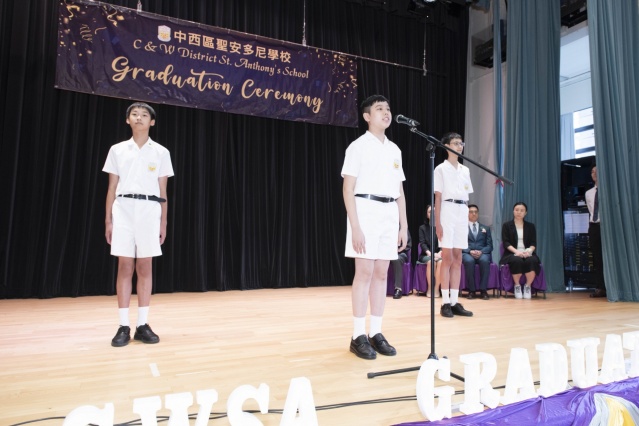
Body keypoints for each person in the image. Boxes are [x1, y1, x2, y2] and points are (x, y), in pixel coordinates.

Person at [342, 94, 408, 360]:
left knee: (382, 273)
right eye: (379, 109)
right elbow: (348, 189)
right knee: (365, 271)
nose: (386, 112)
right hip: (365, 210)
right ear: (367, 116)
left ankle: (376, 332)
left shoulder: (395, 150)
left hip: (389, 213)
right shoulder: (357, 147)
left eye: (388, 108)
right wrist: (355, 226)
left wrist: (403, 225)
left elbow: (400, 191)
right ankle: (357, 335)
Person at [103, 102, 174, 347]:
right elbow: (112, 187)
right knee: (124, 266)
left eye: (144, 115)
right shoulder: (117, 150)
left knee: (145, 266)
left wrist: (163, 222)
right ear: (128, 120)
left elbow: (163, 191)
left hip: (149, 210)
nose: (139, 118)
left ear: (152, 122)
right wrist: (108, 220)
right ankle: (123, 325)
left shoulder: (161, 152)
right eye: (134, 114)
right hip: (123, 208)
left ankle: (142, 324)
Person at [434, 132, 473, 318]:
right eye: (456, 143)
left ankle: (455, 301)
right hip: (447, 210)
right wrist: (437, 223)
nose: (459, 146)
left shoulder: (465, 170)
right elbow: (438, 197)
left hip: (462, 211)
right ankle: (445, 302)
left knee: (458, 258)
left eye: (461, 143)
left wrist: (466, 218)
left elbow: (467, 195)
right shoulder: (440, 169)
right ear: (447, 146)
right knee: (447, 258)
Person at [500, 202, 540, 300]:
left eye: (522, 210)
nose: (519, 212)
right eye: (517, 210)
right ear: (513, 211)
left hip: (527, 252)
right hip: (512, 252)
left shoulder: (531, 226)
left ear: (525, 213)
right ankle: (517, 286)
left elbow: (533, 243)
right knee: (516, 260)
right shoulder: (506, 225)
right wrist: (517, 252)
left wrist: (528, 251)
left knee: (532, 260)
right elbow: (506, 243)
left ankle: (527, 286)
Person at [462, 204, 493, 300]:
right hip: (467, 253)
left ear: (478, 213)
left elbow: (490, 246)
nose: (474, 214)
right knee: (469, 261)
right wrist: (469, 251)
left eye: (475, 212)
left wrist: (481, 251)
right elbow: (459, 244)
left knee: (485, 261)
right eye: (471, 212)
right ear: (467, 214)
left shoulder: (486, 228)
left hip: (482, 253)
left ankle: (483, 290)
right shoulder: (462, 228)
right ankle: (471, 290)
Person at [585, 164, 606, 298]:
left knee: (607, 256)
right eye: (592, 171)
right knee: (597, 257)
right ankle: (600, 287)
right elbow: (591, 210)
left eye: (597, 171)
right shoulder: (589, 193)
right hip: (594, 226)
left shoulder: (607, 190)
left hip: (606, 226)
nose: (594, 173)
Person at [418, 204, 442, 298]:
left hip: (440, 255)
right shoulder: (422, 228)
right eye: (430, 212)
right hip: (426, 254)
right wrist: (431, 254)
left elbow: (443, 243)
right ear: (427, 214)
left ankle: (436, 289)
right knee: (431, 262)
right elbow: (422, 243)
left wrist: (439, 253)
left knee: (440, 262)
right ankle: (430, 288)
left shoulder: (441, 227)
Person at [391, 228, 412, 299]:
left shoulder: (403, 229)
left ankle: (398, 288)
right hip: (387, 253)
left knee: (397, 259)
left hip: (401, 253)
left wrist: (398, 250)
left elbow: (408, 245)